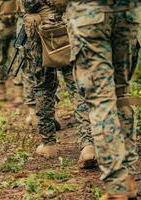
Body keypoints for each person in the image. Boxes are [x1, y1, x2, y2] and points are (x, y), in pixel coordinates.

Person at [66, 0, 141, 199]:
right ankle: (128, 178)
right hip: (128, 12)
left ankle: (117, 186)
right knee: (122, 93)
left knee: (102, 98)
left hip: (90, 14)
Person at [23, 0, 95, 168]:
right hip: (72, 27)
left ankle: (48, 144)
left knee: (43, 87)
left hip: (42, 32)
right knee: (77, 86)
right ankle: (88, 145)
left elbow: (29, 4)